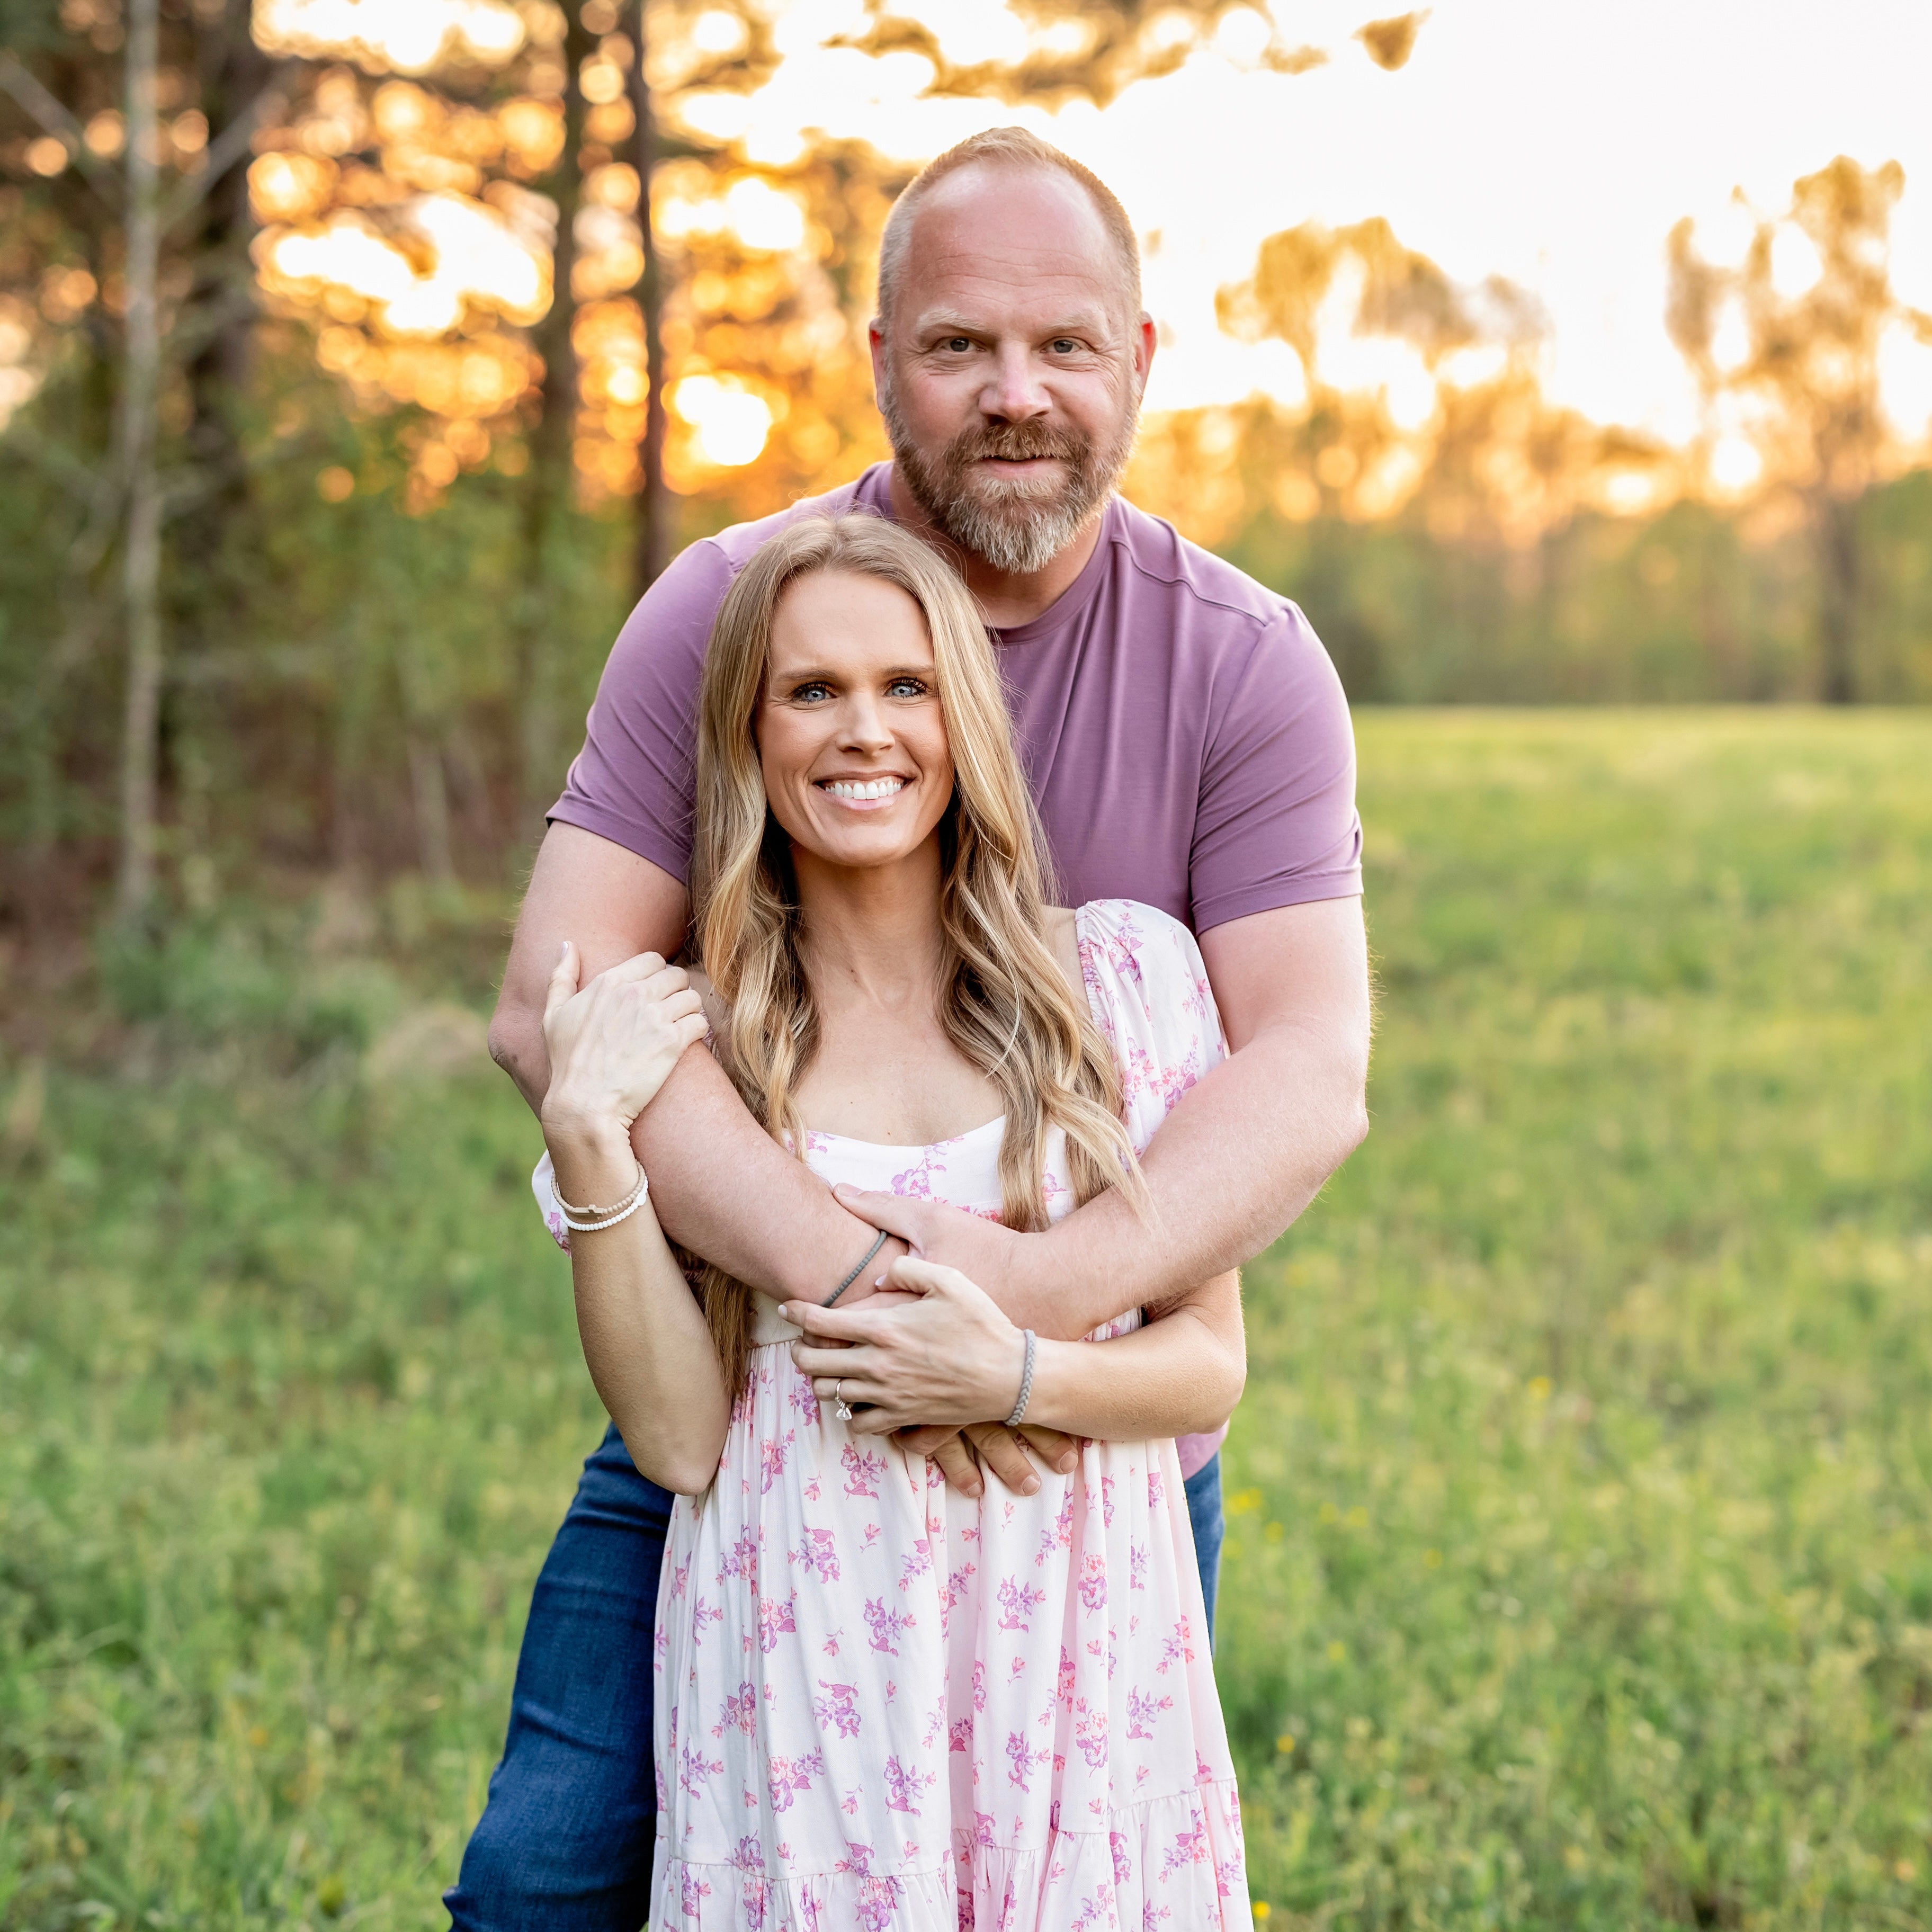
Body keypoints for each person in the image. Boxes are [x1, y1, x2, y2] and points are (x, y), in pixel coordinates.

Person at [448, 125, 1368, 1930]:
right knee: (544, 1878)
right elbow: (553, 1003)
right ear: (882, 362)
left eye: (1064, 345)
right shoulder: (732, 614)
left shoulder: (1244, 663)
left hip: (1077, 1453)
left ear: (1141, 360)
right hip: (763, 1399)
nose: (1014, 395)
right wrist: (862, 1294)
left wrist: (1018, 1320)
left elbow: (1304, 1072)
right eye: (959, 346)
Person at [539, 514, 1249, 1926]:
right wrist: (587, 1139)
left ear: (962, 718)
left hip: (1075, 1656)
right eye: (811, 692)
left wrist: (1019, 1376)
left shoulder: (1116, 989)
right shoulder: (699, 1047)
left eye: (904, 687)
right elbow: (678, 1440)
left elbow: (1208, 1368)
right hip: (802, 1678)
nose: (863, 731)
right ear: (749, 736)